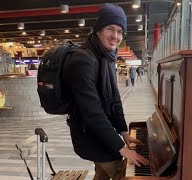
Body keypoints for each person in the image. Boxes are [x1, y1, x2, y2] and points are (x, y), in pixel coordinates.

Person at [62, 3, 149, 180]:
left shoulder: (107, 57)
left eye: (120, 31)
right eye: (110, 29)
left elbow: (115, 99)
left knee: (101, 173)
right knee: (121, 171)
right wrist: (121, 148)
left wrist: (124, 133)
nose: (115, 36)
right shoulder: (82, 60)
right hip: (90, 135)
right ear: (98, 29)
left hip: (103, 132)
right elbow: (92, 112)